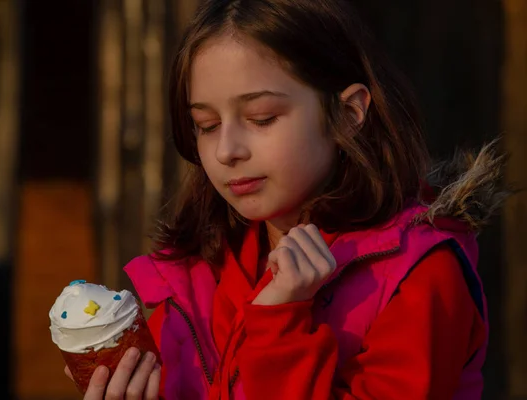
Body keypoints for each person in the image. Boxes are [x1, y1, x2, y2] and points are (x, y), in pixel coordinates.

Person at [66, 0, 509, 398]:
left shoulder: (418, 273)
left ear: (349, 113)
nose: (227, 151)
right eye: (206, 124)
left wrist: (279, 326)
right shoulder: (197, 271)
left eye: (262, 118)